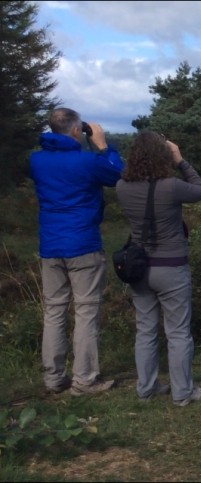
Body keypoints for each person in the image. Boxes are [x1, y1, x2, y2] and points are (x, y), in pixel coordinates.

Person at [29, 107, 124, 396]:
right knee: (85, 312)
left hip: (50, 246)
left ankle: (54, 378)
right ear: (75, 130)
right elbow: (117, 174)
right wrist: (103, 144)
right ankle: (84, 380)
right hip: (83, 244)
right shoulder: (88, 162)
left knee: (54, 312)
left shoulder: (36, 161)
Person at [115, 131, 201, 406]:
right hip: (171, 266)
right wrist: (181, 161)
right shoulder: (172, 186)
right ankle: (183, 393)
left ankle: (146, 389)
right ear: (163, 155)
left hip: (139, 268)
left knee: (145, 331)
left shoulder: (122, 186)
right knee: (178, 332)